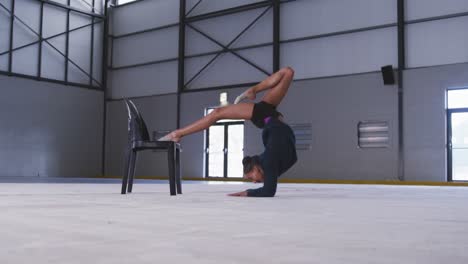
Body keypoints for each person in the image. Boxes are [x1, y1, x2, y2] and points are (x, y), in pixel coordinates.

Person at [159, 67, 297, 197]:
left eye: (250, 179)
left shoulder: (269, 163)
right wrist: (247, 192)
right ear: (256, 168)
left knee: (288, 72)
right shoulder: (269, 163)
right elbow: (268, 191)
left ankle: (253, 90)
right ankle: (177, 134)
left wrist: (252, 188)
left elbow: (268, 183)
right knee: (217, 113)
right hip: (268, 117)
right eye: (251, 178)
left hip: (269, 117)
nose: (253, 182)